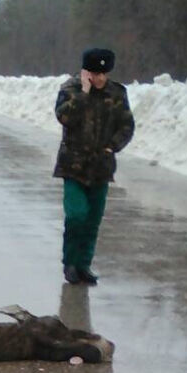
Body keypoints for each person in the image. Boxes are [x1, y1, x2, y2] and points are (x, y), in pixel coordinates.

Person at [53, 48, 135, 285]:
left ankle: (84, 265)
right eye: (94, 73)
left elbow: (127, 125)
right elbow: (64, 118)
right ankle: (70, 263)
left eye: (103, 74)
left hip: (101, 167)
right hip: (73, 167)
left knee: (92, 221)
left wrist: (113, 146)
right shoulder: (69, 90)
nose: (99, 78)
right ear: (86, 72)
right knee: (77, 215)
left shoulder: (117, 93)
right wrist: (84, 94)